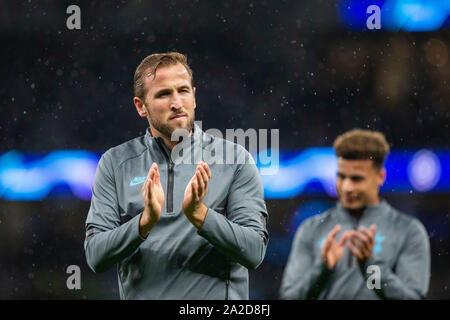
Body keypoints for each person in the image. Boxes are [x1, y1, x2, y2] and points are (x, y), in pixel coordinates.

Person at [84, 52, 269, 299]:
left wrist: (200, 215)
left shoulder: (235, 159)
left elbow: (254, 251)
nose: (177, 102)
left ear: (194, 96)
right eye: (163, 94)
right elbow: (96, 256)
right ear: (141, 106)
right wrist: (144, 222)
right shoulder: (115, 163)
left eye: (183, 90)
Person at [279, 129, 430, 299]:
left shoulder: (407, 230)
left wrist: (371, 267)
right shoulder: (311, 228)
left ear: (380, 177)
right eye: (341, 177)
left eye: (356, 179)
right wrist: (322, 270)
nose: (347, 187)